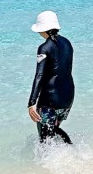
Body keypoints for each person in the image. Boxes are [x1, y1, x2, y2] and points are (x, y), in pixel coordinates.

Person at [27, 11, 75, 145]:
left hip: (49, 101)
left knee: (44, 139)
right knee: (53, 131)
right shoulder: (67, 43)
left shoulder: (44, 48)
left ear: (43, 29)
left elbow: (39, 75)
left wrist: (31, 103)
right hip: (67, 98)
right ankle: (71, 151)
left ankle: (49, 163)